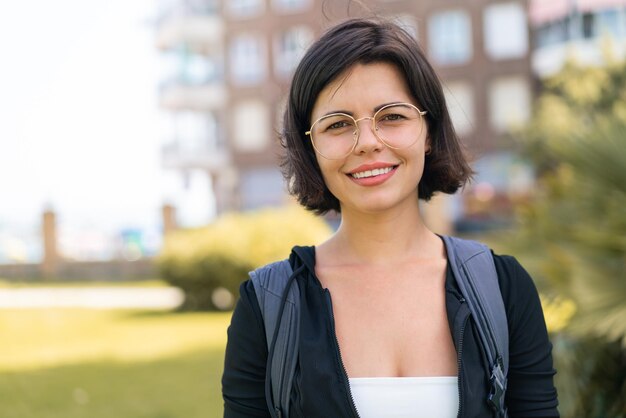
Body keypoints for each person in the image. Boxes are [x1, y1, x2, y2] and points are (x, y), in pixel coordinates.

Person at [222, 18, 559, 418]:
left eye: (392, 117)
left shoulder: (504, 290)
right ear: (310, 147)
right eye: (338, 125)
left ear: (429, 130)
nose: (367, 142)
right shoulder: (267, 304)